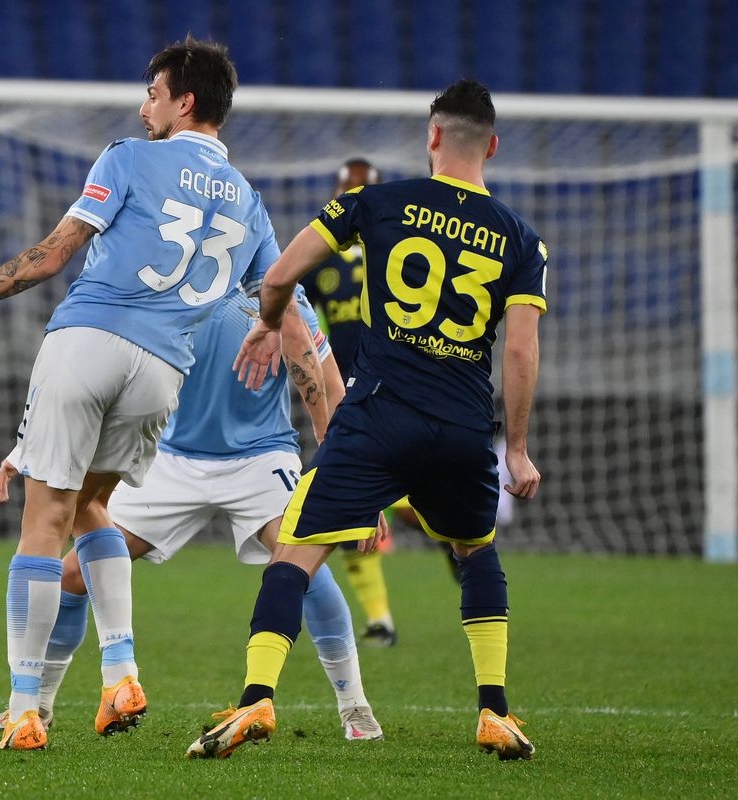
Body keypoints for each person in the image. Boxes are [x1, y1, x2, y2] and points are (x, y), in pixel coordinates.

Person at [0, 38, 309, 752]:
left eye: (152, 93)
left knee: (42, 524)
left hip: (89, 338)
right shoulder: (251, 202)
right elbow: (280, 290)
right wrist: (267, 329)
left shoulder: (128, 157)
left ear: (184, 102)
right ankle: (120, 671)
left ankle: (24, 709)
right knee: (93, 506)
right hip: (163, 371)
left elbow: (50, 257)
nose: (144, 107)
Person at [187, 79, 547, 761]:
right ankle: (494, 711)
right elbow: (523, 350)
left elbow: (280, 276)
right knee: (477, 554)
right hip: (465, 424)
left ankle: (258, 696)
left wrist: (268, 324)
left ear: (432, 137)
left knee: (294, 552)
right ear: (492, 147)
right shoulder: (522, 240)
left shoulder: (377, 203)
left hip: (377, 412)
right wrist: (518, 450)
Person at [0, 286, 385, 741]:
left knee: (301, 565)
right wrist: (29, 445)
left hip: (260, 457)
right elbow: (106, 377)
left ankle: (355, 707)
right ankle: (38, 707)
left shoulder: (279, 292)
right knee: (72, 574)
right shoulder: (169, 283)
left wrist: (348, 479)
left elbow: (329, 384)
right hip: (171, 460)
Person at [299, 158, 400, 647]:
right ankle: (380, 619)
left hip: (396, 390)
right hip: (350, 396)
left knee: (375, 499)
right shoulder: (322, 260)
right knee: (354, 503)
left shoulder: (399, 252)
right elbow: (304, 324)